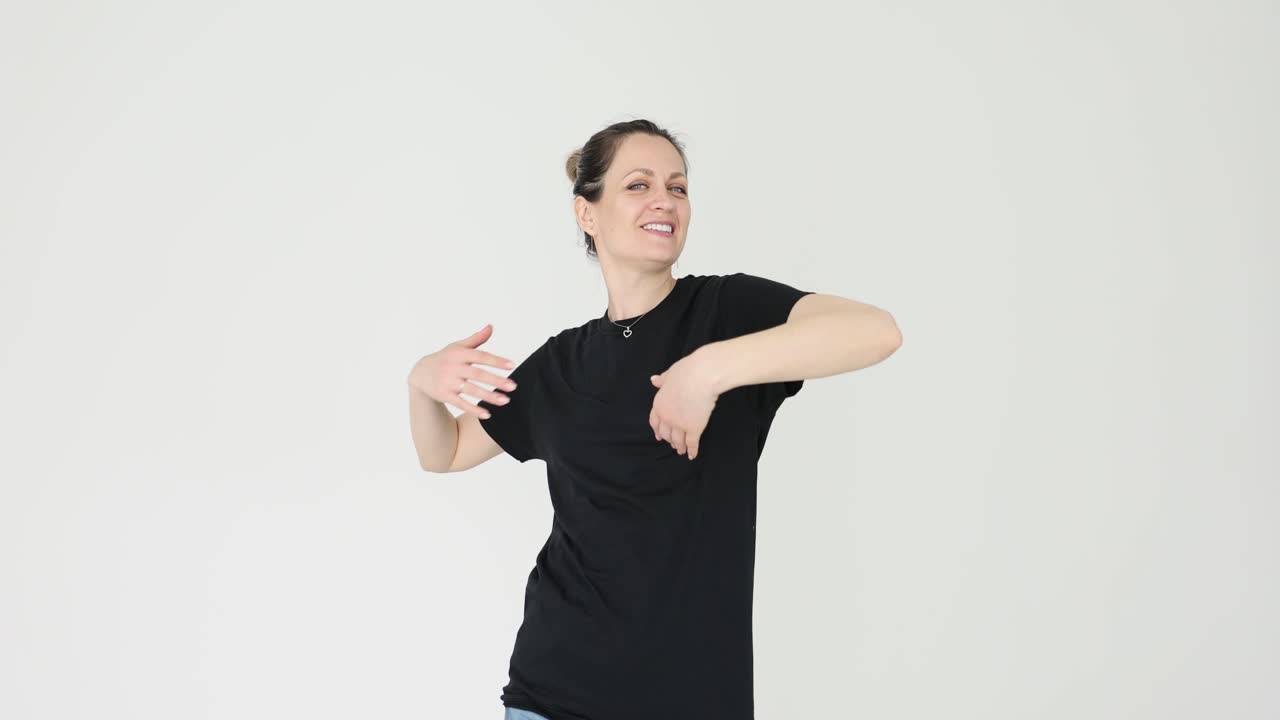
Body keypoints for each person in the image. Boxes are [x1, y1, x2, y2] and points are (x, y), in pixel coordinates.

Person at [407, 119, 902, 720]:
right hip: (552, 691)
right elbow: (447, 453)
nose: (664, 199)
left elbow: (875, 331)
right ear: (587, 214)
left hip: (691, 697)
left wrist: (708, 370)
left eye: (678, 186)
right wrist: (422, 386)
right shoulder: (561, 362)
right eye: (637, 185)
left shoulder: (726, 310)